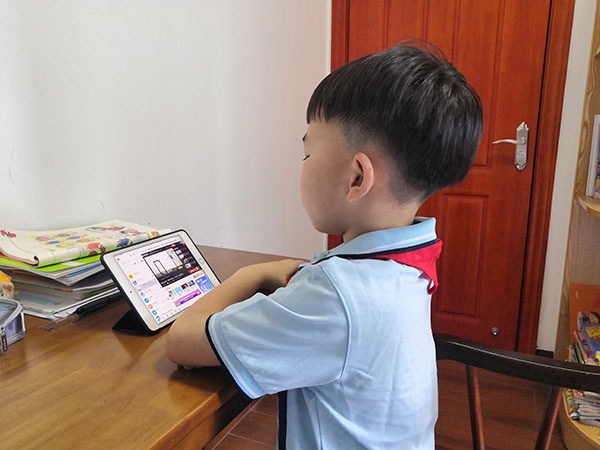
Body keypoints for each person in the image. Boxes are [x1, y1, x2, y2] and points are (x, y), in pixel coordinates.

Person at [166, 42, 483, 449]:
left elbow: (182, 341)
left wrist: (250, 274)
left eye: (307, 153)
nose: (301, 165)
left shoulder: (335, 294)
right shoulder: (409, 261)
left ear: (357, 177)